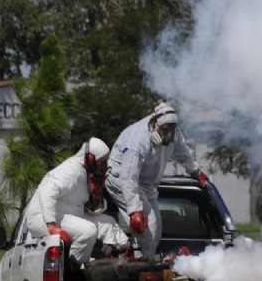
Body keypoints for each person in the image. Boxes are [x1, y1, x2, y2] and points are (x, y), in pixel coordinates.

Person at [105, 102, 207, 261]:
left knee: (156, 226)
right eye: (165, 130)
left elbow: (183, 153)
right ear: (154, 124)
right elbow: (128, 176)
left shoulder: (175, 133)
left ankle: (142, 259)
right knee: (149, 223)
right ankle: (143, 263)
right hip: (121, 180)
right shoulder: (138, 139)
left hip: (147, 184)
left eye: (172, 129)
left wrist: (195, 171)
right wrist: (134, 210)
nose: (168, 134)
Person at [25, 137, 129, 266]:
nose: (103, 167)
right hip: (42, 219)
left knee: (108, 223)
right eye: (102, 162)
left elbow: (89, 208)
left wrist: (97, 194)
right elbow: (47, 191)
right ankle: (72, 270)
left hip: (68, 215)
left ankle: (121, 258)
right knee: (88, 231)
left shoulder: (84, 173)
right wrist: (52, 226)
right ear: (90, 159)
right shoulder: (71, 170)